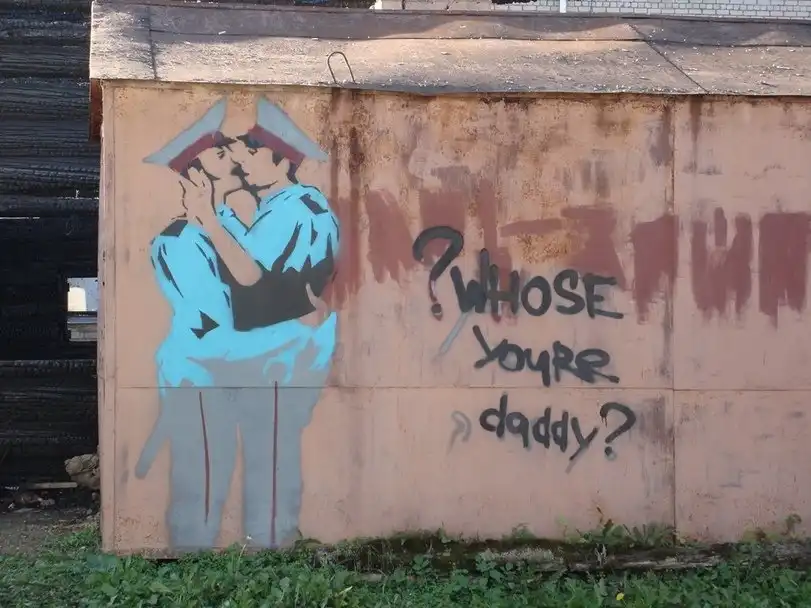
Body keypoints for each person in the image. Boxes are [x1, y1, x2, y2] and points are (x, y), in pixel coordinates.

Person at [135, 98, 339, 549]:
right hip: (203, 375)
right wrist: (301, 323)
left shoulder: (261, 218)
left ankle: (265, 552)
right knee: (204, 475)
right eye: (222, 154)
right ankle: (195, 561)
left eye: (240, 151)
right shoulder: (182, 240)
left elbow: (257, 284)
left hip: (248, 372)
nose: (236, 160)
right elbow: (223, 320)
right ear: (196, 177)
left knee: (267, 470)